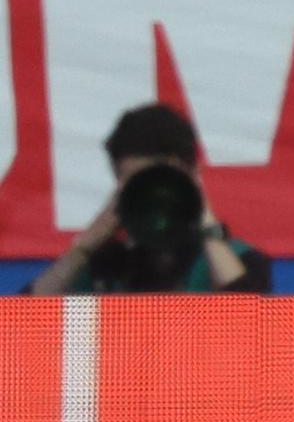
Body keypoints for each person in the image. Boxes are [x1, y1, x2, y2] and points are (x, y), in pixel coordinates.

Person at [27, 104, 272, 295]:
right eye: (137, 181)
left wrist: (206, 222)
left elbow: (252, 322)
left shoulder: (239, 260)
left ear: (193, 174)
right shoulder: (104, 266)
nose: (153, 193)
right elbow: (16, 327)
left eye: (162, 179)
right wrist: (85, 246)